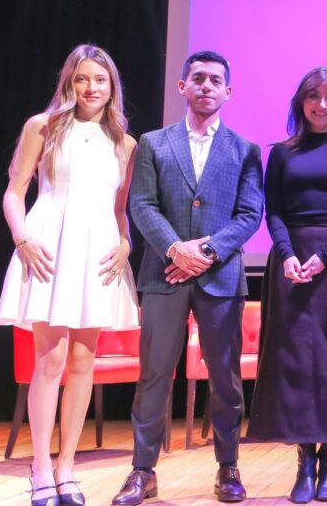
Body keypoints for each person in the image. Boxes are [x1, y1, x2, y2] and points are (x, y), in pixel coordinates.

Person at [113, 51, 263, 505]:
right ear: (182, 86)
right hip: (164, 274)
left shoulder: (245, 150)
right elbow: (141, 205)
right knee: (154, 375)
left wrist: (207, 252)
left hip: (221, 278)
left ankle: (228, 467)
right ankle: (142, 471)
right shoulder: (154, 143)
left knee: (225, 378)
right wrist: (176, 249)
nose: (206, 86)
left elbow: (250, 213)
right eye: (198, 78)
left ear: (228, 91)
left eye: (216, 80)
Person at [0, 44, 139, 506]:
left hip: (99, 253)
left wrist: (126, 243)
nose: (91, 88)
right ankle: (40, 467)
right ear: (69, 82)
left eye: (100, 79)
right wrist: (22, 239)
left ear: (112, 86)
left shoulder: (125, 142)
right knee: (50, 360)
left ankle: (67, 468)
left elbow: (119, 210)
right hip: (49, 245)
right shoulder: (43, 125)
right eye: (82, 78)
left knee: (82, 363)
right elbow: (14, 193)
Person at [247, 67, 327, 503]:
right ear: (301, 101)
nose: (323, 105)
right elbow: (274, 211)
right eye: (314, 96)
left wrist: (325, 255)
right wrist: (287, 255)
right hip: (291, 264)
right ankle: (305, 461)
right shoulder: (282, 153)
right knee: (296, 362)